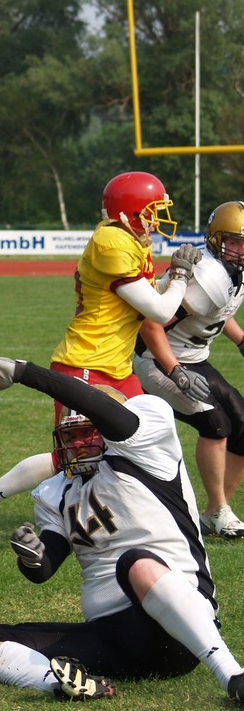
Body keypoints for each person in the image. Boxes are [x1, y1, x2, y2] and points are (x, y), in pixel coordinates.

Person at [0, 354, 244, 704]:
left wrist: (23, 372)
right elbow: (45, 568)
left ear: (107, 430)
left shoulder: (147, 448)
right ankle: (60, 683)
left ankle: (232, 674)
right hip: (114, 641)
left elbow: (98, 406)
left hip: (181, 631)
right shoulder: (57, 490)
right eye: (71, 436)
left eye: (85, 435)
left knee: (135, 563)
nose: (76, 445)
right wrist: (33, 556)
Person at [0, 171, 202, 549]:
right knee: (72, 456)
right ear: (128, 214)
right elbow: (160, 311)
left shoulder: (130, 239)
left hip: (116, 367)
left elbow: (151, 296)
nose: (156, 220)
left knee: (144, 441)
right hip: (86, 363)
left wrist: (174, 276)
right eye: (151, 212)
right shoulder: (111, 243)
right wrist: (181, 276)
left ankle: (150, 518)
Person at [134, 201, 244, 538]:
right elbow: (149, 328)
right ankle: (219, 509)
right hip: (155, 359)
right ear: (215, 239)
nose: (241, 250)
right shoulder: (208, 274)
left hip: (194, 356)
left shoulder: (231, 272)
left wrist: (240, 340)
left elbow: (219, 311)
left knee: (242, 422)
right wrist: (176, 371)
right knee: (216, 423)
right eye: (234, 242)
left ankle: (214, 511)